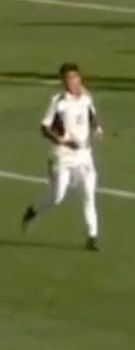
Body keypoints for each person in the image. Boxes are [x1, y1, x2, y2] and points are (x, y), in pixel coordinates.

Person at [21, 63, 103, 251]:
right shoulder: (58, 102)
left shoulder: (86, 98)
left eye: (74, 77)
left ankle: (92, 237)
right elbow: (44, 128)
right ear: (63, 81)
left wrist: (97, 129)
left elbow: (92, 116)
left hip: (84, 156)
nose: (71, 82)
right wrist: (63, 142)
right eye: (67, 79)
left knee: (89, 195)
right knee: (58, 196)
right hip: (62, 156)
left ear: (79, 78)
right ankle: (33, 211)